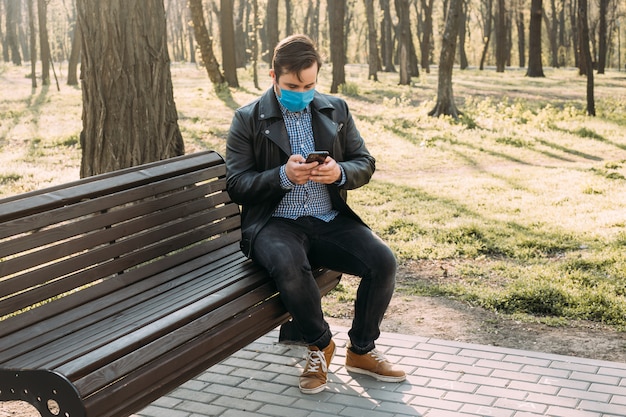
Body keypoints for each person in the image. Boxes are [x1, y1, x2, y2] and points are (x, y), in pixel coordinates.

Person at [225, 34, 406, 394]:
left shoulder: (335, 110)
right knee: (289, 264)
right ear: (272, 76)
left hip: (327, 219)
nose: (302, 92)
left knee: (383, 261)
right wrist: (281, 176)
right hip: (274, 224)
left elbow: (364, 163)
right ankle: (320, 345)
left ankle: (362, 350)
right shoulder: (247, 119)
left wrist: (340, 172)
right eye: (293, 85)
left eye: (309, 85)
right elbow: (237, 185)